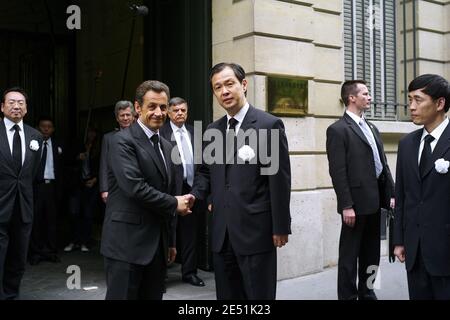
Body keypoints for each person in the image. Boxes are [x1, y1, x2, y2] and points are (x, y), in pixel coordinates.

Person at [189, 62, 291, 300]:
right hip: (221, 234)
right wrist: (196, 195)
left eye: (229, 84)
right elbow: (205, 172)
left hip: (256, 232)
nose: (224, 91)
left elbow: (279, 180)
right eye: (217, 87)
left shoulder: (268, 125)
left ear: (243, 85)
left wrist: (280, 226)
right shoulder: (212, 130)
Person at [100, 80, 193, 300]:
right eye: (152, 106)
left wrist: (170, 241)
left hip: (157, 249)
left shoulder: (167, 146)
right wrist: (174, 203)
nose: (158, 112)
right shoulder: (121, 141)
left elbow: (169, 189)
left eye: (163, 107)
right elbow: (135, 187)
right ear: (138, 107)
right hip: (126, 247)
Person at [326, 80, 395, 300]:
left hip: (376, 201)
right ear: (351, 98)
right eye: (365, 93)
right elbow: (338, 172)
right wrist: (346, 205)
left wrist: (391, 194)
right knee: (349, 255)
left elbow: (382, 163)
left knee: (372, 252)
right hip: (355, 204)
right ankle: (347, 296)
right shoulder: (337, 130)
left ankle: (368, 291)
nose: (370, 97)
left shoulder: (372, 126)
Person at [394, 74, 450, 300]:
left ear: (439, 103)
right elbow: (402, 196)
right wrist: (398, 240)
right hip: (415, 251)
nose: (412, 107)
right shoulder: (407, 144)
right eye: (409, 100)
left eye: (418, 100)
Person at [0, 87, 43, 299]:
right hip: (0, 205)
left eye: (21, 103)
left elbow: (33, 173)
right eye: (11, 102)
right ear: (2, 107)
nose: (16, 106)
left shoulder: (36, 136)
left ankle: (10, 294)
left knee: (18, 256)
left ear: (26, 109)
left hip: (23, 206)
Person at [160, 97, 206, 287]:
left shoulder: (195, 133)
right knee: (164, 233)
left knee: (190, 234)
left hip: (190, 191)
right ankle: (159, 277)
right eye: (176, 110)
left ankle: (189, 272)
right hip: (168, 192)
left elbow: (203, 166)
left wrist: (196, 192)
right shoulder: (161, 133)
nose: (180, 113)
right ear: (169, 113)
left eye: (183, 110)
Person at [28, 116, 64, 265]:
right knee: (36, 221)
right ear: (38, 128)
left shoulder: (58, 145)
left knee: (52, 221)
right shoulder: (32, 145)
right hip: (37, 186)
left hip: (52, 187)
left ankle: (51, 251)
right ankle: (36, 253)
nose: (46, 129)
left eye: (49, 126)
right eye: (43, 126)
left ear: (53, 129)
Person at [64, 127, 101, 253]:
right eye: (90, 131)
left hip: (91, 184)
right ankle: (73, 241)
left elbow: (103, 165)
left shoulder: (99, 148)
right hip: (76, 184)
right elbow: (65, 162)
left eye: (93, 132)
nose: (91, 134)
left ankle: (85, 241)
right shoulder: (77, 145)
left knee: (88, 214)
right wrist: (77, 157)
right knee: (74, 213)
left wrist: (95, 179)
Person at [99, 101, 134, 204]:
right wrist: (104, 189)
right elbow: (104, 164)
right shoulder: (108, 138)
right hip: (115, 187)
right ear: (117, 118)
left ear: (133, 116)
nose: (125, 118)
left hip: (136, 186)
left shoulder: (141, 136)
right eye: (122, 115)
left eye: (128, 115)